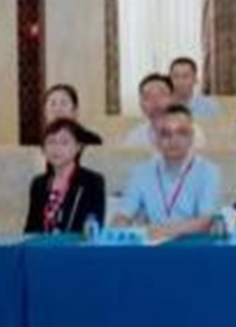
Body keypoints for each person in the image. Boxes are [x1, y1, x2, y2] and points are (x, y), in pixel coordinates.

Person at [115, 105, 222, 240]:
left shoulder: (209, 171)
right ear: (156, 140)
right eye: (165, 134)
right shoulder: (141, 172)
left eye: (181, 132)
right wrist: (118, 228)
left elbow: (205, 222)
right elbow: (123, 215)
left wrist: (161, 231)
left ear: (191, 137)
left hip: (193, 246)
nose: (173, 140)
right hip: (152, 246)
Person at [24, 116, 106, 234]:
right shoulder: (38, 183)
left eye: (64, 142)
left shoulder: (92, 181)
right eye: (51, 142)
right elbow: (31, 228)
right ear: (43, 149)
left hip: (75, 245)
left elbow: (93, 227)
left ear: (78, 147)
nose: (56, 148)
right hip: (42, 245)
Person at [119, 73, 207, 151]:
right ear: (141, 105)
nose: (155, 100)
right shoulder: (134, 138)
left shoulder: (193, 133)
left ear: (174, 100)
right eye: (147, 96)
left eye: (162, 94)